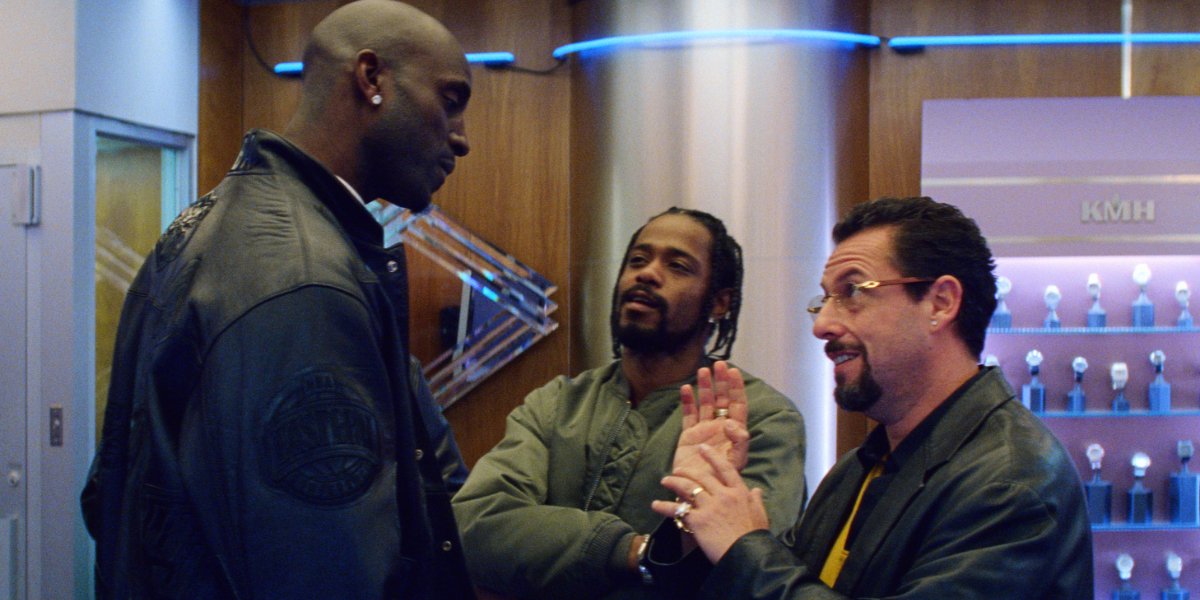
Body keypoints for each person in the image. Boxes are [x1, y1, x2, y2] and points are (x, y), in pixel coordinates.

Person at [80, 1, 476, 597]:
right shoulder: (306, 282)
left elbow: (108, 495)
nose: (461, 138)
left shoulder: (206, 225)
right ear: (372, 80)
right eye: (450, 100)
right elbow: (323, 572)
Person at [649, 197, 1094, 599]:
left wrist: (744, 547)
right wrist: (702, 504)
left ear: (940, 303)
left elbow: (763, 572)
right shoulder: (862, 464)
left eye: (853, 292)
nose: (821, 324)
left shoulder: (1010, 482)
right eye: (823, 299)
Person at [451, 207, 807, 599]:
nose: (648, 273)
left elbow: (747, 572)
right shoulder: (557, 403)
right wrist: (637, 552)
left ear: (719, 302)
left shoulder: (760, 419)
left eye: (678, 266)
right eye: (638, 259)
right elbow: (473, 527)